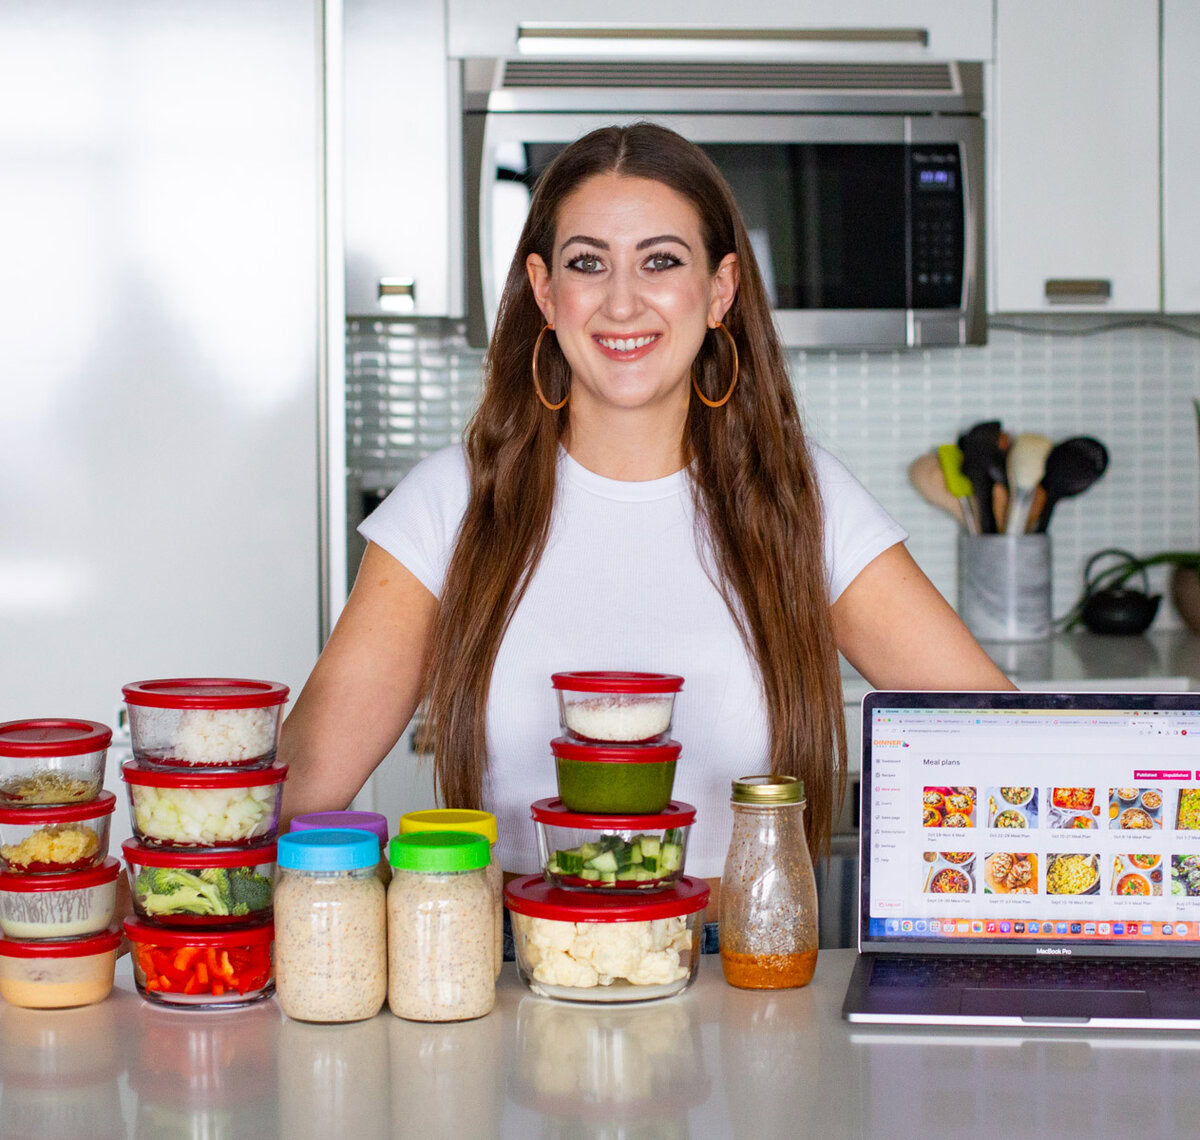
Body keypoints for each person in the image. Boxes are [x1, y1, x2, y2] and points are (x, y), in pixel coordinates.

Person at [279, 123, 1012, 932]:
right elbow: (298, 792)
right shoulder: (449, 504)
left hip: (749, 986)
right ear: (545, 291)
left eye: (661, 261)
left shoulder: (803, 498)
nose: (622, 301)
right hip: (518, 992)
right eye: (587, 263)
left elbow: (997, 743)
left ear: (721, 288)